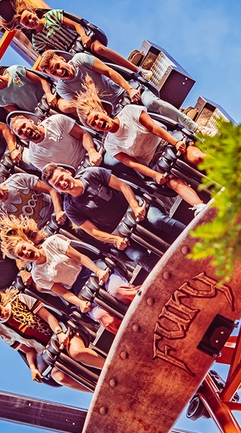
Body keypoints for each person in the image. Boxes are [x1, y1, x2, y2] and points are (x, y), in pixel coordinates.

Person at [75, 79, 208, 211]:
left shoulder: (128, 111)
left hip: (166, 143)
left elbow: (154, 128)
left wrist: (176, 142)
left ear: (103, 112)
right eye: (93, 124)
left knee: (196, 157)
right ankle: (200, 207)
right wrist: (154, 175)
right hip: (153, 162)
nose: (98, 122)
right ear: (96, 129)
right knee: (174, 183)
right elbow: (133, 164)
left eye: (97, 117)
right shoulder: (110, 144)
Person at [0, 215, 138, 334]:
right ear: (22, 260)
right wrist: (80, 303)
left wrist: (98, 271)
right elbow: (63, 292)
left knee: (118, 292)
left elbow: (81, 257)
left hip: (90, 270)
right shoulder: (38, 275)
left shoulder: (52, 242)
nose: (26, 253)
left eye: (24, 248)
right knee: (105, 319)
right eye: (22, 254)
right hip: (78, 289)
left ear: (28, 242)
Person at [42, 163, 185, 272]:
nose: (62, 183)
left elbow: (123, 186)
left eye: (61, 178)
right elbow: (93, 232)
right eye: (57, 184)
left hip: (133, 207)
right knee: (138, 257)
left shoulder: (91, 174)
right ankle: (169, 273)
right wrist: (115, 240)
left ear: (67, 172)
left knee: (158, 220)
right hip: (119, 231)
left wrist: (135, 206)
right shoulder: (70, 207)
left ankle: (193, 233)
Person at [0, 280, 102, 391]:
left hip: (62, 332)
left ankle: (107, 366)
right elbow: (28, 350)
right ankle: (96, 390)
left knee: (77, 353)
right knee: (59, 377)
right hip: (49, 351)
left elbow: (48, 317)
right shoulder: (1, 330)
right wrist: (33, 368)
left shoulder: (20, 299)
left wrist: (59, 333)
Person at [35, 51, 200, 133]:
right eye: (53, 72)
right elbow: (85, 107)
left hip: (123, 91)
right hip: (114, 111)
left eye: (57, 66)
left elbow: (109, 72)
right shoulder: (63, 88)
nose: (58, 71)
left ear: (62, 59)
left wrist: (129, 89)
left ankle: (193, 126)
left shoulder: (80, 59)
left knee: (152, 103)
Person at [0, 0, 143, 74]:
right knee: (90, 68)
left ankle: (136, 69)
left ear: (33, 12)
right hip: (72, 54)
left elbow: (76, 25)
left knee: (99, 49)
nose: (31, 21)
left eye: (30, 17)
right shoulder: (37, 41)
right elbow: (52, 54)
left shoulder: (52, 16)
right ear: (25, 27)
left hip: (81, 40)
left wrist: (84, 37)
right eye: (27, 23)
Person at [7, 111, 102, 171]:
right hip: (79, 173)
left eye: (24, 125)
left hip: (90, 154)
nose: (24, 130)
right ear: (21, 138)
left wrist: (92, 151)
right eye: (20, 132)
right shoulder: (34, 156)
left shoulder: (56, 120)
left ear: (31, 121)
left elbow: (83, 134)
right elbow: (55, 173)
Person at [0, 171, 64, 228]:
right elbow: (19, 233)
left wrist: (58, 211)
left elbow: (51, 190)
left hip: (56, 208)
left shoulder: (17, 180)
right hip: (44, 229)